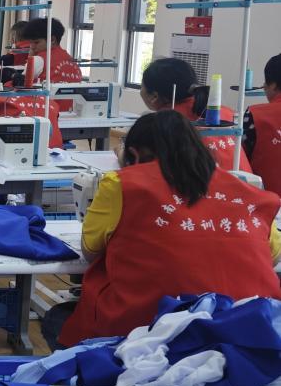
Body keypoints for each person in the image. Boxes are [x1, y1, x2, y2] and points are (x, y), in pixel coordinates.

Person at [49, 110, 281, 348]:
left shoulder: (121, 184)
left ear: (134, 154)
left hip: (148, 332)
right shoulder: (250, 193)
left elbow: (90, 251)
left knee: (58, 319)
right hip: (252, 335)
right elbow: (273, 256)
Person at [140, 57, 252, 172]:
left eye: (141, 86)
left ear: (154, 96)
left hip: (209, 182)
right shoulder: (227, 112)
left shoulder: (165, 122)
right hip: (247, 181)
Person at [245, 53, 281, 193]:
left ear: (273, 85)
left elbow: (240, 162)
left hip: (268, 203)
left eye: (265, 83)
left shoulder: (255, 115)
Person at [19, 17, 84, 86]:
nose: (32, 47)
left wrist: (31, 58)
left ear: (52, 40)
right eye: (30, 43)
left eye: (36, 42)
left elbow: (21, 84)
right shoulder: (70, 60)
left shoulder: (38, 60)